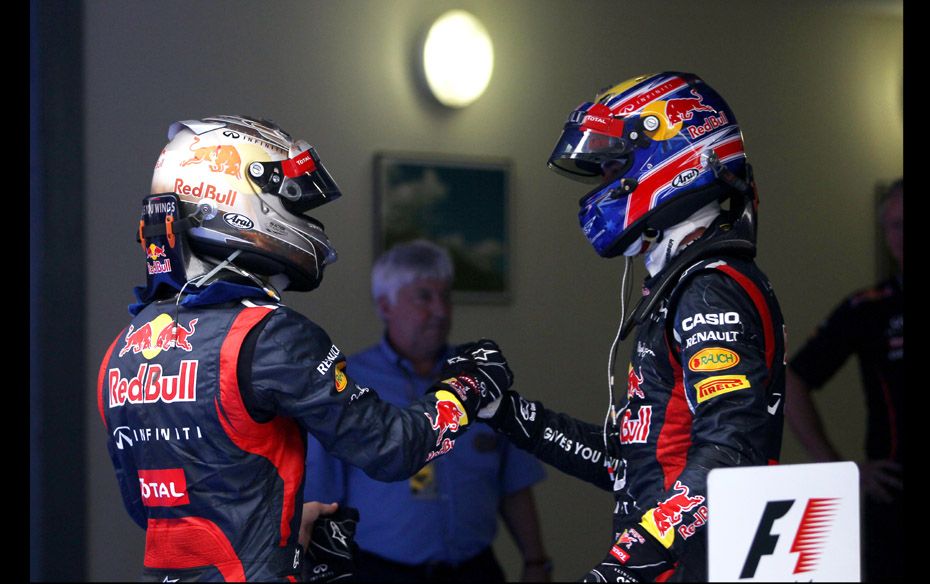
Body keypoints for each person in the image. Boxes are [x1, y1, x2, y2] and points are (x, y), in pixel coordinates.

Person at [96, 115, 513, 582]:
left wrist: (285, 530)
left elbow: (155, 512)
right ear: (235, 197)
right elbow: (393, 448)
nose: (305, 221)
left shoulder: (124, 349)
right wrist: (468, 387)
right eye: (292, 204)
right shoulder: (270, 335)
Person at [477, 72, 786, 581]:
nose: (604, 184)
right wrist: (509, 413)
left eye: (613, 166)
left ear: (674, 157)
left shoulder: (708, 288)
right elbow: (634, 462)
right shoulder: (683, 279)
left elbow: (731, 454)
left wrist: (628, 565)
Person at [303, 239, 552, 583]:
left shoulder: (479, 379)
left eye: (445, 297)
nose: (441, 311)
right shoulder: (348, 386)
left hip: (476, 571)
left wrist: (536, 562)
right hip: (381, 573)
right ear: (385, 305)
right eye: (424, 297)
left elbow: (514, 482)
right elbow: (321, 499)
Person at [784, 178, 903, 582]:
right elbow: (793, 380)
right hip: (893, 502)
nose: (901, 235)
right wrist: (840, 471)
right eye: (893, 225)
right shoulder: (869, 308)